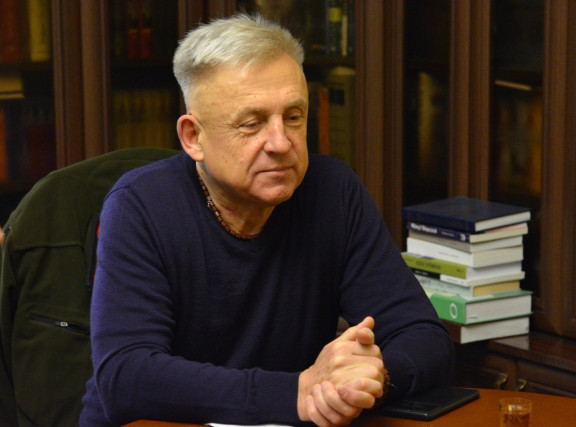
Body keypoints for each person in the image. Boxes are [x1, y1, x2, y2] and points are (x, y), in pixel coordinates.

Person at [80, 13, 453, 427]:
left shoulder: (333, 191)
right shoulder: (140, 206)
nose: (281, 143)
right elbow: (127, 377)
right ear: (193, 137)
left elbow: (424, 335)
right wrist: (298, 392)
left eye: (293, 117)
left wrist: (367, 379)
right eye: (252, 123)